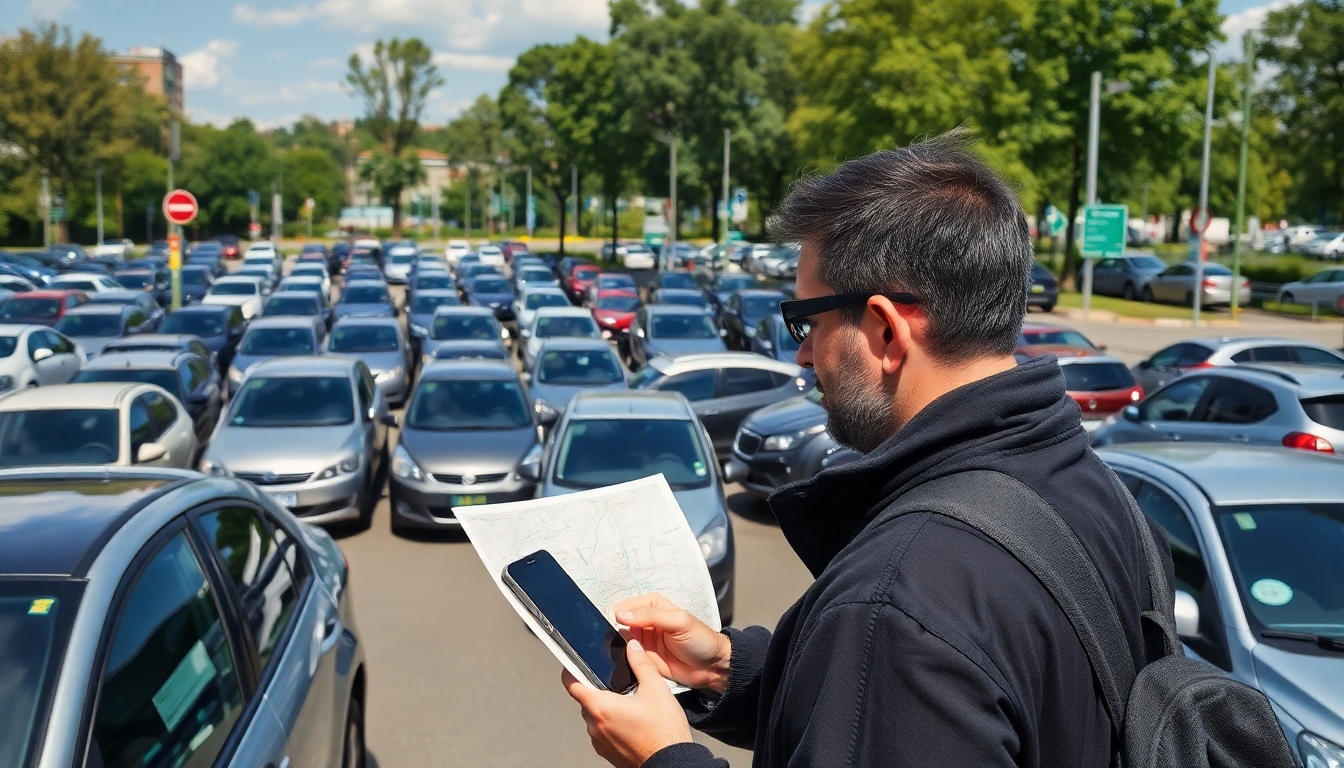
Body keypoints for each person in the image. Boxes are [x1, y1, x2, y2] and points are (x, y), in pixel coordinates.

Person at [562, 132, 1171, 767]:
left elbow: (901, 677)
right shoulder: (1103, 499)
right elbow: (916, 712)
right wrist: (728, 669)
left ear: (883, 328)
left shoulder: (898, 599)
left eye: (808, 321)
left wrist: (663, 758)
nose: (800, 353)